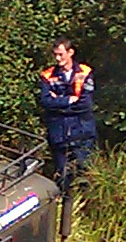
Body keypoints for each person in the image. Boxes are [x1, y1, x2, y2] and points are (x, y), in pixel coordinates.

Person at [33, 41, 96, 195]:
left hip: (82, 132)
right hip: (59, 134)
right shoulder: (48, 75)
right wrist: (69, 100)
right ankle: (66, 204)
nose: (57, 58)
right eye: (55, 55)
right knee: (63, 177)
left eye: (60, 54)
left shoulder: (85, 72)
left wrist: (58, 101)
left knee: (85, 173)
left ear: (70, 52)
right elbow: (46, 102)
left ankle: (85, 204)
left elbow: (85, 104)